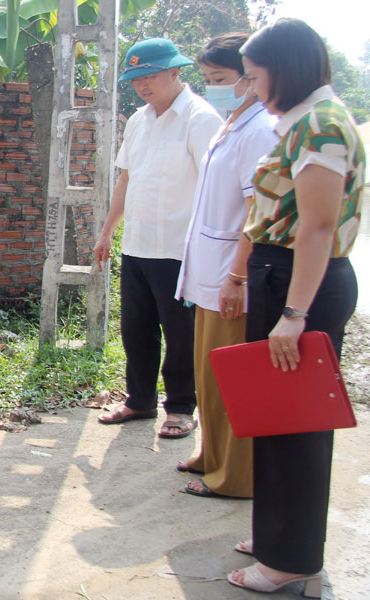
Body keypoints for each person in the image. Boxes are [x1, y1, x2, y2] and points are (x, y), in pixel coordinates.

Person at [226, 19, 363, 596]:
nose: (251, 89)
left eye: (255, 77)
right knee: (278, 418)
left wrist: (294, 313)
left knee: (298, 426)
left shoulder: (320, 124)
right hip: (283, 275)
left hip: (299, 282)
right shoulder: (307, 120)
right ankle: (277, 536)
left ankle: (291, 559)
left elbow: (318, 226)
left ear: (285, 70)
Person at [93, 38, 223, 438]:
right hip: (138, 245)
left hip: (181, 250)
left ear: (175, 71)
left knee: (181, 334)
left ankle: (181, 407)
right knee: (136, 329)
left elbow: (215, 187)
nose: (142, 85)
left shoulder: (201, 119)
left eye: (149, 76)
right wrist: (107, 231)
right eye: (136, 79)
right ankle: (140, 400)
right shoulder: (138, 120)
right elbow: (126, 179)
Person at [173, 33, 279, 499]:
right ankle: (211, 455)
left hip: (231, 276)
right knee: (209, 376)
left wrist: (238, 276)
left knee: (234, 380)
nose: (212, 88)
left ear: (251, 78)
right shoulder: (232, 123)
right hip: (209, 274)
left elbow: (258, 213)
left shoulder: (260, 131)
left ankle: (235, 475)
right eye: (208, 79)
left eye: (220, 79)